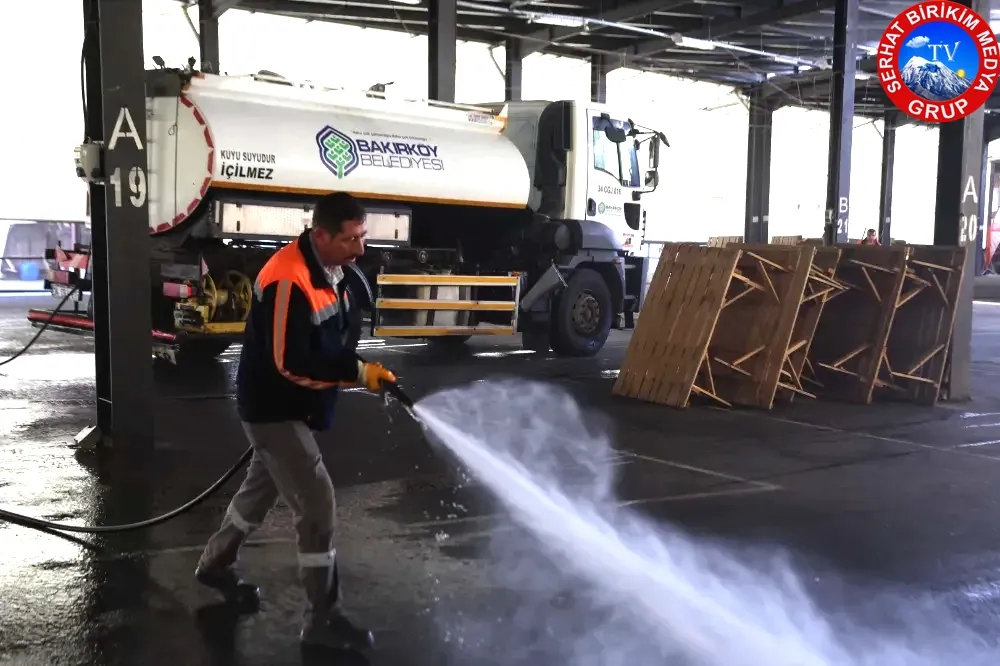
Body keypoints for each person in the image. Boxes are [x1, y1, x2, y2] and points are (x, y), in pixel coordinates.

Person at [193, 192, 396, 651]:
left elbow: (332, 338)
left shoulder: (333, 269)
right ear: (320, 235)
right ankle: (322, 618)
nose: (360, 249)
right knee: (317, 502)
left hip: (291, 406)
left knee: (259, 488)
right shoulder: (289, 279)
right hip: (273, 409)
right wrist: (357, 373)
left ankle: (214, 564)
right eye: (351, 239)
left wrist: (359, 365)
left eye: (362, 237)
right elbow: (289, 361)